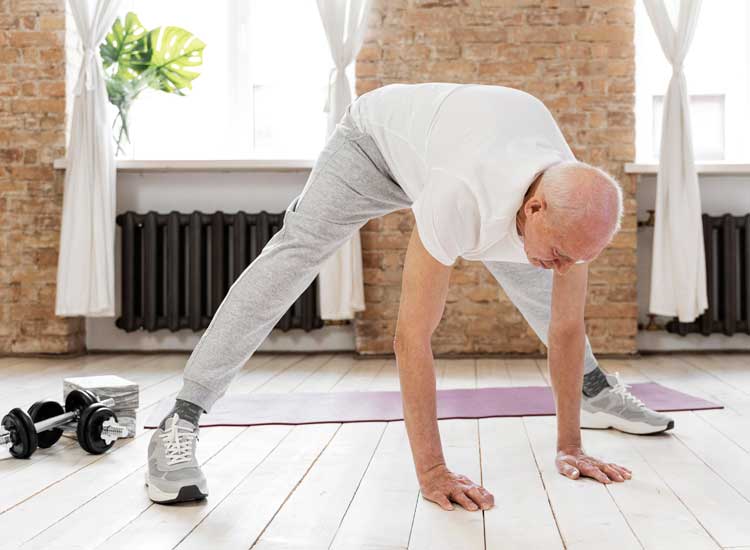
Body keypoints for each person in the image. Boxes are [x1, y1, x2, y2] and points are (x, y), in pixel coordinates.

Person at [146, 82, 672, 507]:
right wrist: (433, 471)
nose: (564, 264)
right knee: (293, 254)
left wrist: (570, 445)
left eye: (576, 257)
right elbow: (412, 338)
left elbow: (565, 326)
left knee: (544, 284)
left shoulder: (571, 211)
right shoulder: (459, 196)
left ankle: (595, 390)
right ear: (534, 209)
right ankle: (183, 416)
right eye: (559, 251)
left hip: (466, 148)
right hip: (374, 146)